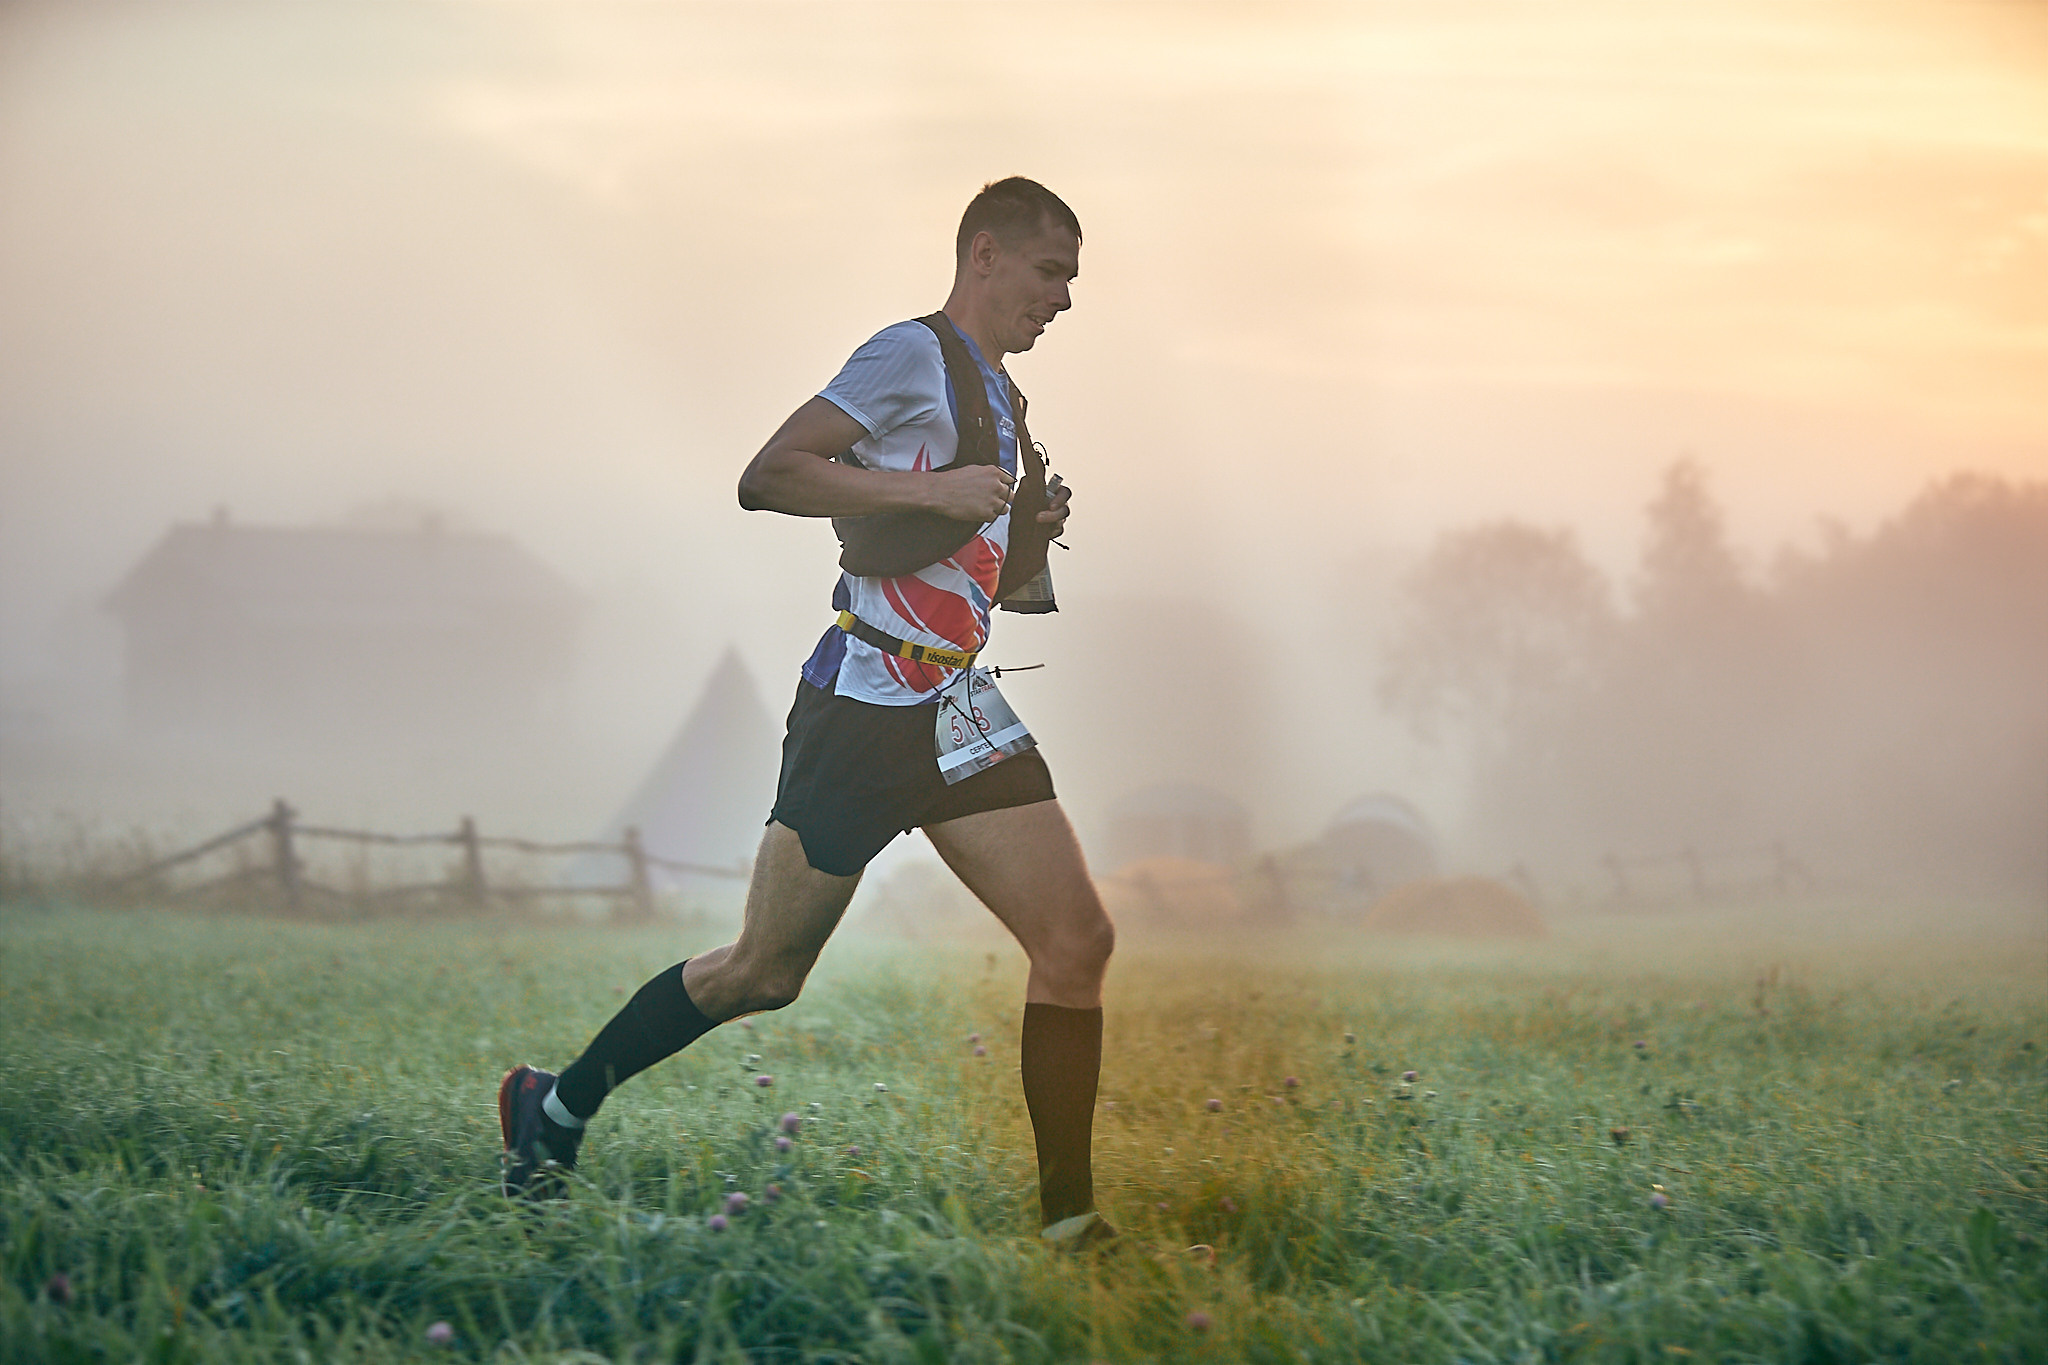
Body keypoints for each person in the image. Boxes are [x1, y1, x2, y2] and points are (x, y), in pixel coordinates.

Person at [500, 177, 1117, 1249]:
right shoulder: (909, 354)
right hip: (864, 706)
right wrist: (933, 492)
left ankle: (1070, 1224)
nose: (1062, 298)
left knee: (1076, 939)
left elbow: (974, 574)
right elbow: (770, 474)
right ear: (983, 254)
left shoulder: (1001, 397)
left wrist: (1027, 528)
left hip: (958, 706)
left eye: (1070, 279)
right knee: (762, 972)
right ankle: (552, 1108)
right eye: (1049, 271)